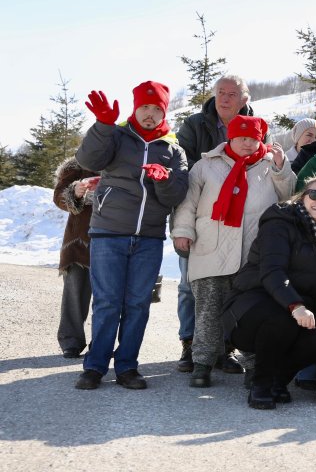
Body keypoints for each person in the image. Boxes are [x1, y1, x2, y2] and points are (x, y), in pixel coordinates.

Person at [74, 81, 189, 391]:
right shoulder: (116, 136)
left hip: (149, 239)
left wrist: (164, 180)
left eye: (157, 108)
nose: (150, 114)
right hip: (109, 232)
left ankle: (127, 367)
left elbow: (176, 195)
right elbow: (88, 160)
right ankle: (95, 367)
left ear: (164, 111)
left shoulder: (173, 149)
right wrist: (102, 125)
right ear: (135, 107)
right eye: (145, 107)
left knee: (138, 304)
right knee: (108, 302)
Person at [171, 115, 295, 388]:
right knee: (208, 311)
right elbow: (187, 203)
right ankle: (202, 364)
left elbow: (289, 196)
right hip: (210, 248)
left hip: (253, 253)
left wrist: (281, 168)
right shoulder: (206, 165)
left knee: (251, 312)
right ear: (230, 138)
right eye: (242, 138)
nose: (248, 144)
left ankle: (253, 366)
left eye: (253, 138)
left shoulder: (269, 165)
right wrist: (182, 232)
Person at [223, 177, 316, 409]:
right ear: (303, 196)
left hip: (290, 310)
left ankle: (278, 380)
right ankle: (261, 385)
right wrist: (296, 306)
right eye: (314, 195)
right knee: (282, 320)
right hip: (248, 309)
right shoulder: (280, 222)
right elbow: (272, 271)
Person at [175, 75, 253, 374]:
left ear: (243, 99)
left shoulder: (255, 126)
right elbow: (182, 166)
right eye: (221, 92)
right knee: (189, 285)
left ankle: (224, 348)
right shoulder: (195, 124)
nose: (225, 98)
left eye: (232, 94)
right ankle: (190, 344)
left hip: (239, 222)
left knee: (232, 286)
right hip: (202, 215)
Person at [52, 156, 98, 359]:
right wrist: (75, 192)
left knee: (109, 298)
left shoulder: (123, 159)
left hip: (117, 237)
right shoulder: (77, 165)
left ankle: (101, 343)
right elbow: (59, 196)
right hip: (80, 240)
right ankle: (71, 341)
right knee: (74, 292)